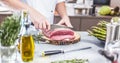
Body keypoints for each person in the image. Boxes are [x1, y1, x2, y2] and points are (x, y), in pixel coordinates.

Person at [1, 0, 73, 30]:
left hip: (47, 31)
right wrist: (31, 12)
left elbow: (59, 1)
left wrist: (64, 16)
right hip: (22, 30)